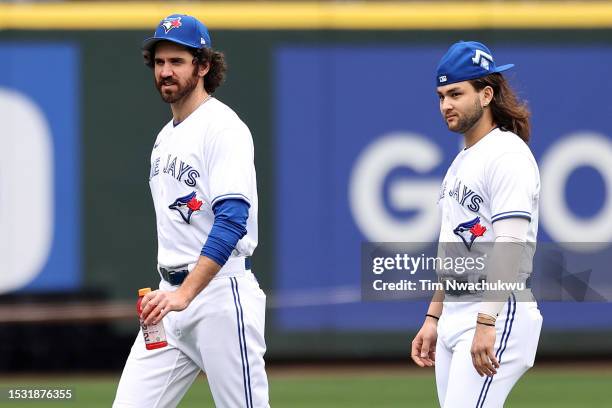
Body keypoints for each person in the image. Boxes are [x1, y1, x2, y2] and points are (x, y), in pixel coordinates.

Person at [113, 14, 269, 408]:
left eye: (177, 62)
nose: (166, 71)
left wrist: (186, 291)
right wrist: (175, 293)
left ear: (203, 66)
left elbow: (232, 220)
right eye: (160, 62)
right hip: (169, 301)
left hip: (218, 296)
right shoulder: (166, 136)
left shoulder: (223, 128)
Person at [411, 41, 543, 407]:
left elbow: (509, 244)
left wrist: (487, 322)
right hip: (456, 312)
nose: (446, 105)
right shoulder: (463, 161)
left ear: (486, 95)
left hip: (496, 310)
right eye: (441, 96)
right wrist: (433, 316)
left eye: (456, 93)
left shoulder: (507, 154)